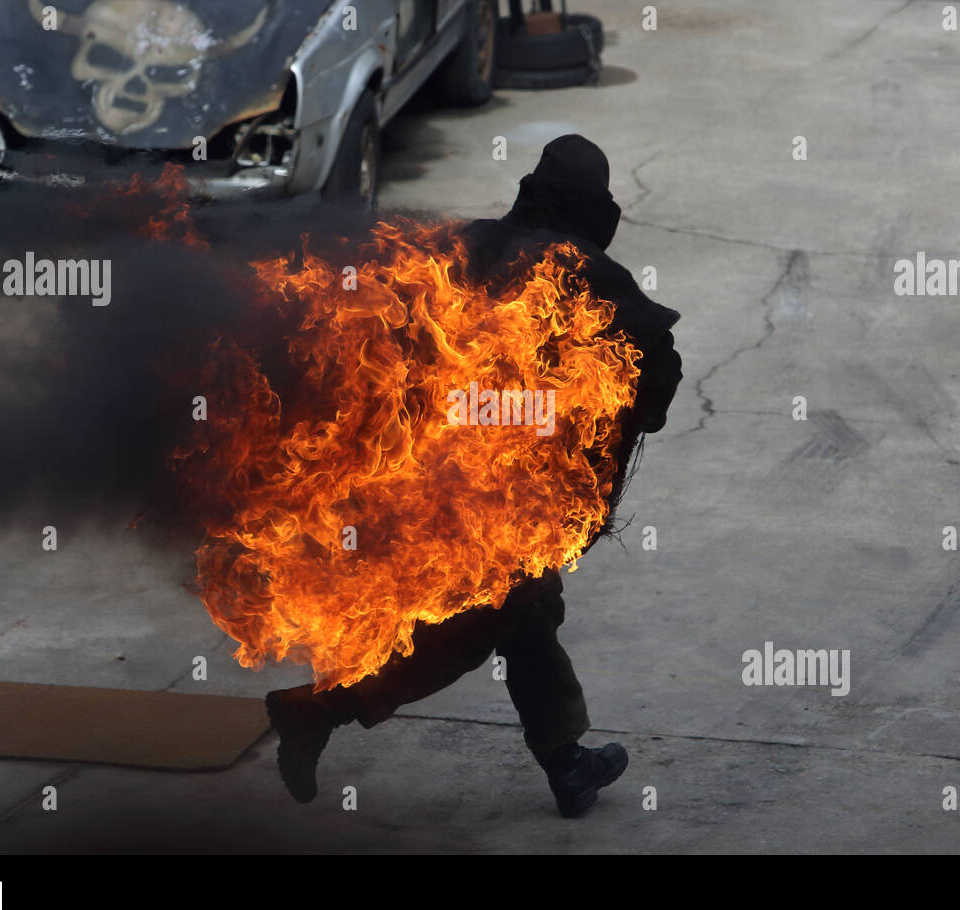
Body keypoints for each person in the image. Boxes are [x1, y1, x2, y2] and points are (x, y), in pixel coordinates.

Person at [266, 134, 682, 817]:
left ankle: (567, 763)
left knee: (528, 614)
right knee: (473, 629)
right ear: (594, 209)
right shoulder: (596, 277)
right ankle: (319, 710)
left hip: (427, 478)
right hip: (500, 502)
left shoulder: (463, 246)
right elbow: (656, 379)